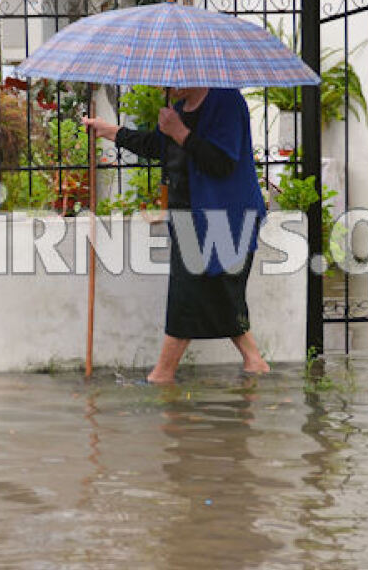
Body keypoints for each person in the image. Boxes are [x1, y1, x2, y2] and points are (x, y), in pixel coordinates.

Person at [82, 87, 271, 384]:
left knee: (188, 292)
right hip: (189, 216)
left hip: (226, 216)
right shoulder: (181, 108)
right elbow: (158, 146)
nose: (163, 86)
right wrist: (110, 131)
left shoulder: (226, 101)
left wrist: (180, 131)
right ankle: (254, 361)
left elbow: (222, 162)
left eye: (170, 78)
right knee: (220, 292)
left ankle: (162, 374)